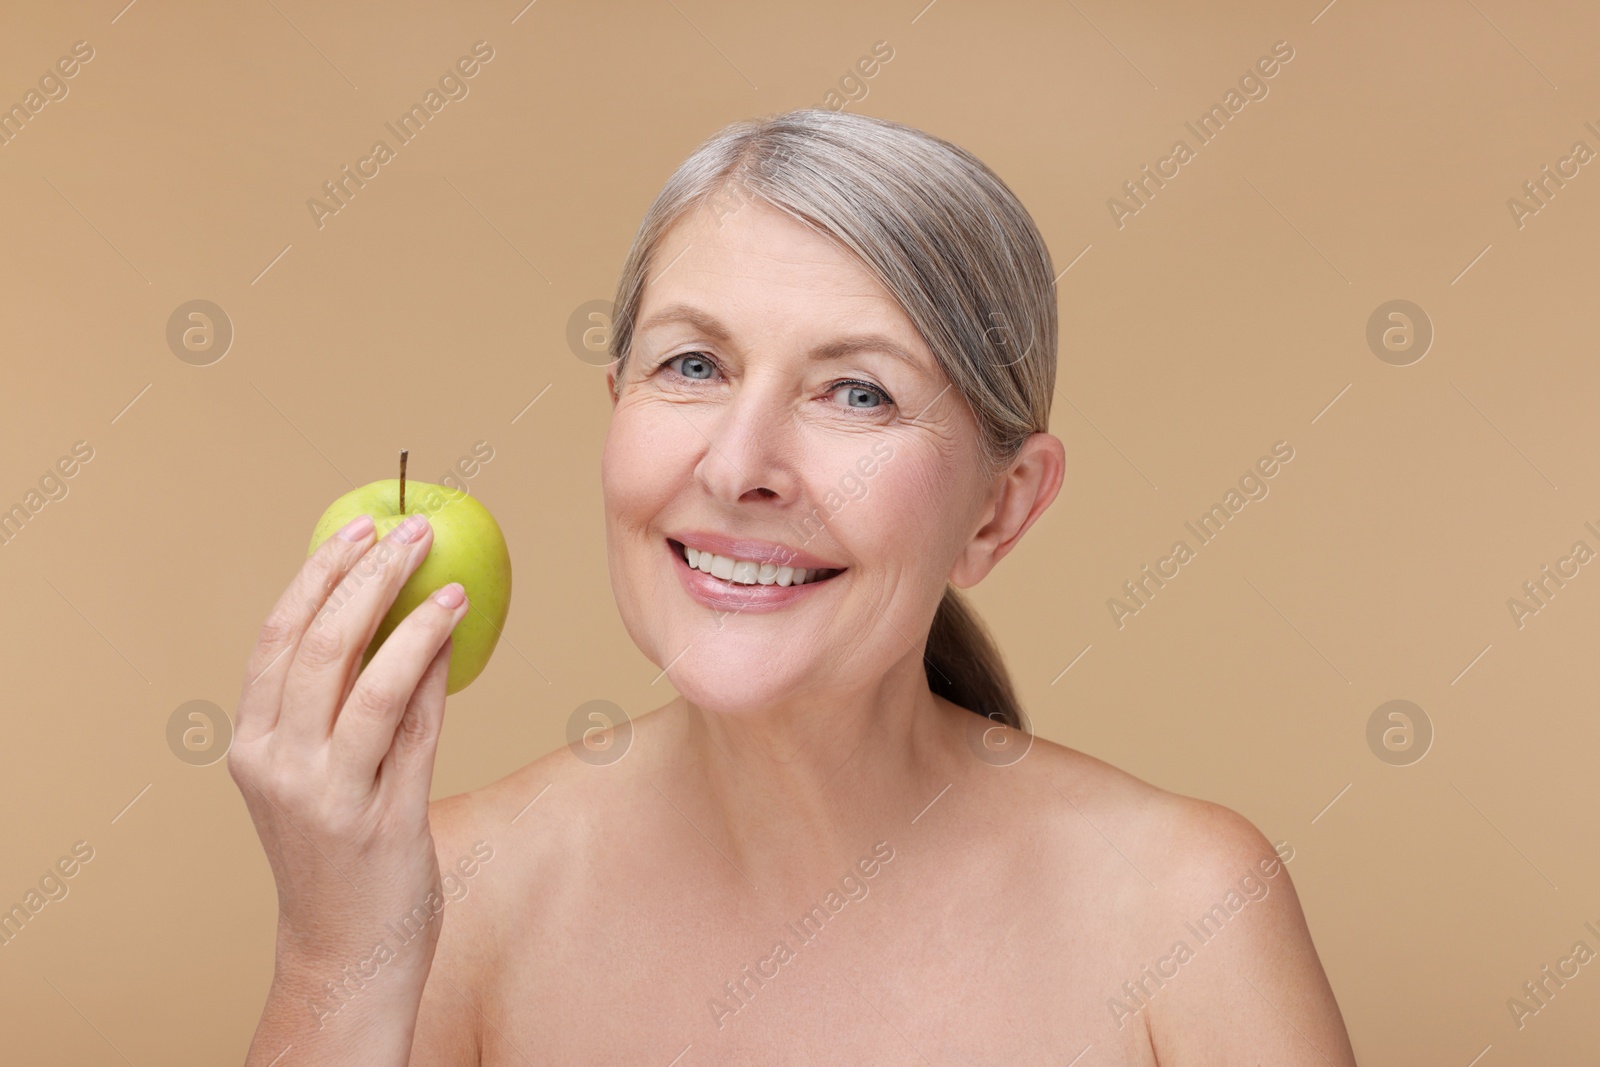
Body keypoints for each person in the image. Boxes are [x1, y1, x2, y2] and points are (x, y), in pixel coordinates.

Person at [230, 108, 1357, 1064]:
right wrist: (338, 956)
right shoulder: (443, 898)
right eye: (693, 365)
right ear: (614, 404)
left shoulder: (1186, 908)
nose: (735, 465)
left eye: (857, 392)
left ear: (999, 507)